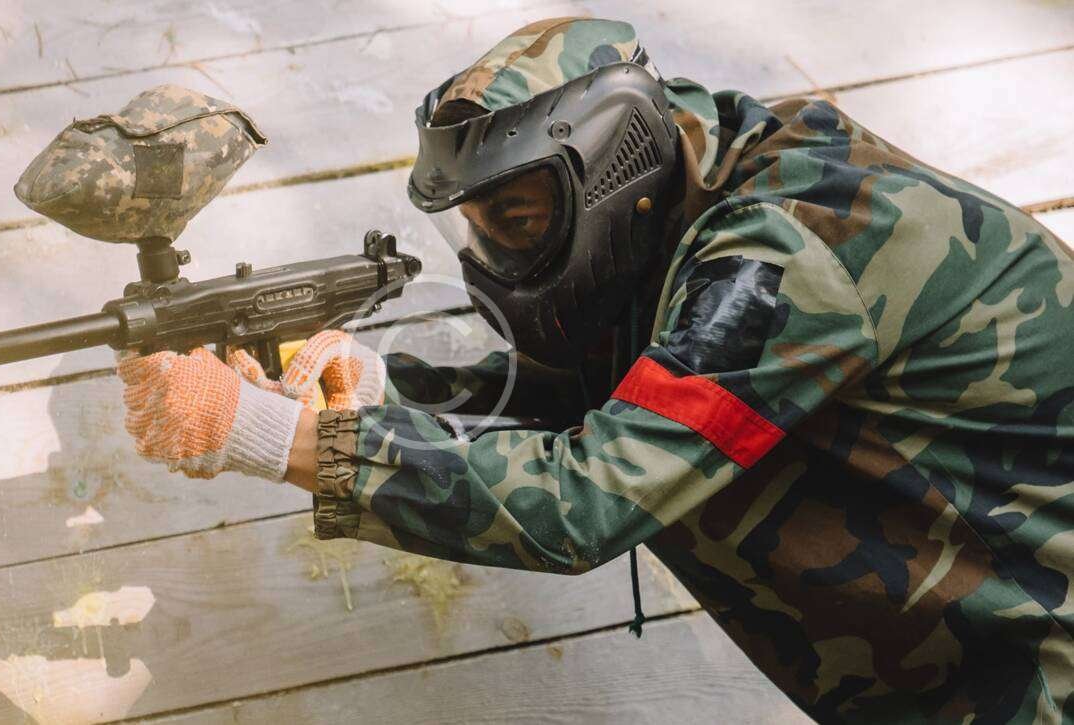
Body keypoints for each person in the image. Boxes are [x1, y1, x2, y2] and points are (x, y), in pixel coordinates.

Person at [116, 17, 1074, 722]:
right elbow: (601, 396)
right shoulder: (689, 184)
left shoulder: (790, 246)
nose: (497, 253)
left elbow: (585, 498)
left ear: (611, 168)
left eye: (518, 219)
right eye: (476, 225)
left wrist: (266, 434)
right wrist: (376, 387)